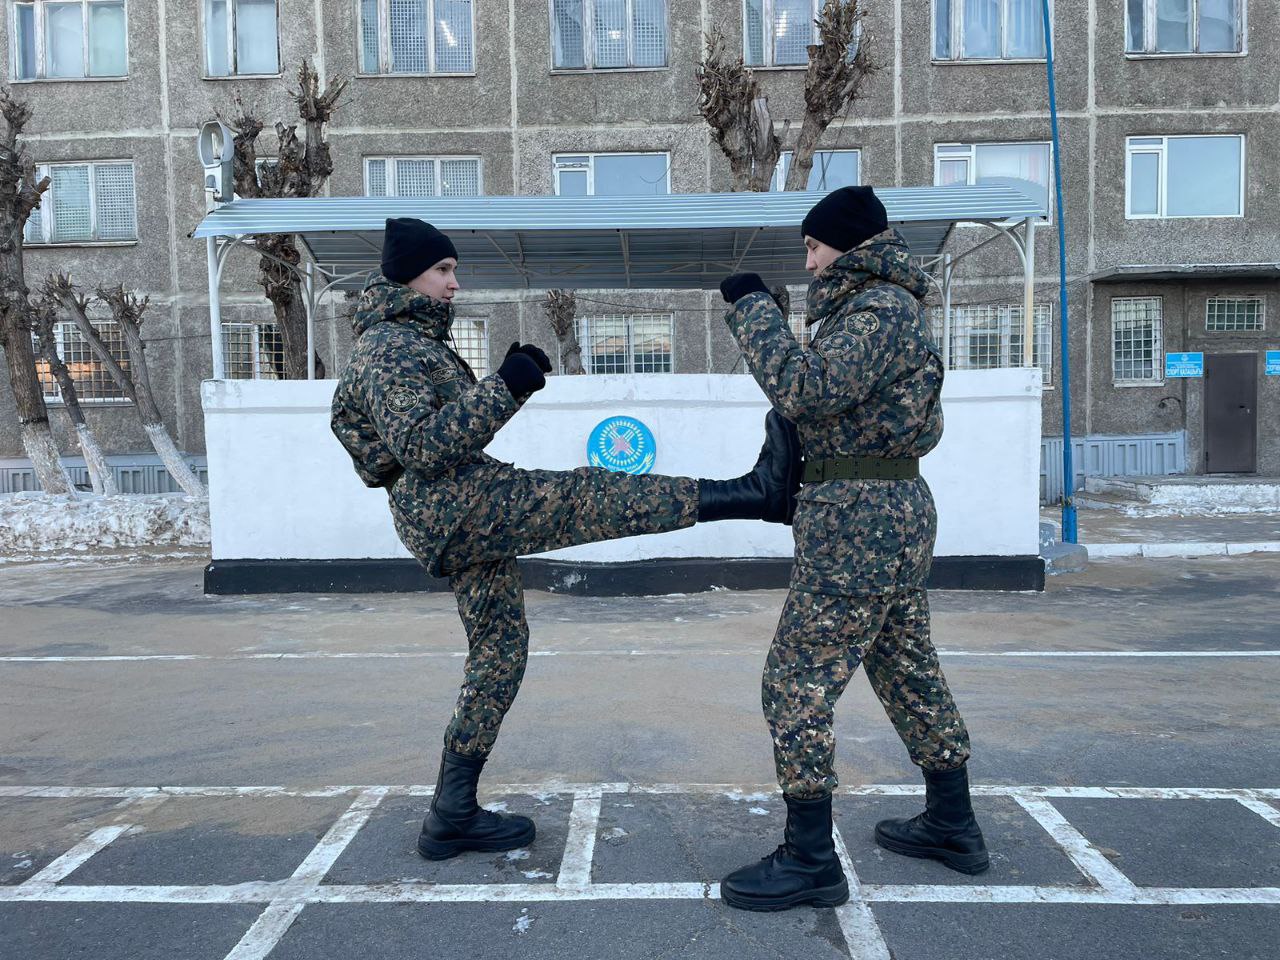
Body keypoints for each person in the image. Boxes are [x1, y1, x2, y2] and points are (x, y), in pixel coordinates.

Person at [330, 217, 801, 861]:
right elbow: (423, 445)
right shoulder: (391, 348)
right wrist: (509, 384)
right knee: (590, 497)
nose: (453, 283)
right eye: (442, 271)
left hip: (451, 510)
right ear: (408, 275)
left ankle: (452, 812)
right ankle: (753, 494)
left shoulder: (413, 342)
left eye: (451, 270)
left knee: (501, 650)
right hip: (455, 506)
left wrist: (501, 385)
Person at [715, 186, 988, 913]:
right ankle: (952, 822)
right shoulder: (884, 308)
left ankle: (809, 858)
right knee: (906, 668)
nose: (806, 262)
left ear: (849, 244)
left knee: (794, 681)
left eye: (812, 246)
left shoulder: (876, 311)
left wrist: (751, 310)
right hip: (880, 513)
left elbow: (807, 389)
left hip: (860, 519)